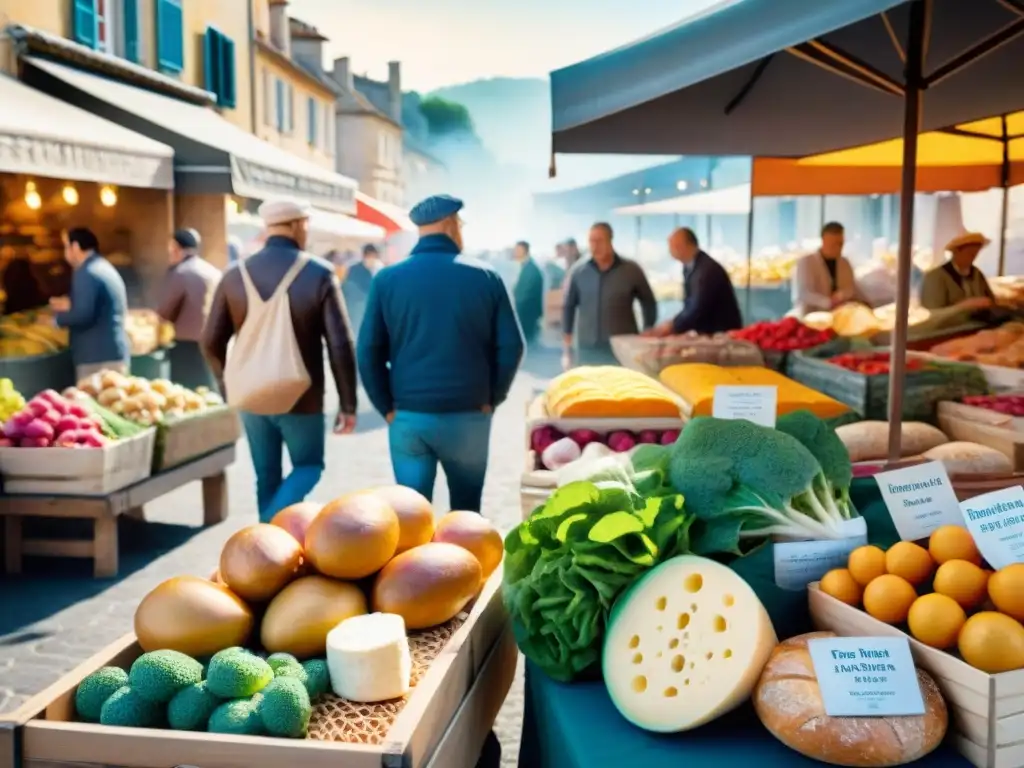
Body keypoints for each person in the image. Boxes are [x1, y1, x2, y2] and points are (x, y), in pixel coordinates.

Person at [357, 194, 524, 512]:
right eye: (460, 224)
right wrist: (493, 396)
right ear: (450, 225)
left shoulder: (387, 279)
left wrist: (386, 407)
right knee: (466, 517)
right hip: (469, 413)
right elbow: (512, 346)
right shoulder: (485, 277)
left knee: (412, 518)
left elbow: (367, 351)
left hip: (409, 416)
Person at [201, 199, 358, 521]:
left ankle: (264, 552)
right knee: (309, 466)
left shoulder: (234, 276)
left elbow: (210, 341)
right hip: (303, 397)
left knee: (266, 476)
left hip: (251, 397)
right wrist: (348, 403)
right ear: (298, 226)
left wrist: (226, 383)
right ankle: (268, 526)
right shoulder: (319, 274)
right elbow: (340, 344)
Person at [562, 222, 657, 368]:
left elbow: (648, 302)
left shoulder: (631, 270)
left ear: (610, 241)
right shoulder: (578, 271)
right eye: (591, 241)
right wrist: (567, 342)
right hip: (588, 347)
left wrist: (648, 328)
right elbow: (569, 306)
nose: (595, 246)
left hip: (622, 347)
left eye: (599, 241)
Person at [50, 227, 129, 381]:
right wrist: (69, 304)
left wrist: (55, 320)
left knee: (91, 403)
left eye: (66, 246)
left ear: (76, 247)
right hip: (111, 353)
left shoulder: (86, 272)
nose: (65, 252)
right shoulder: (102, 266)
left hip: (96, 359)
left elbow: (83, 315)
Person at [644, 227, 742, 337]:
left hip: (722, 335)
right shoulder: (691, 267)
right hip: (709, 334)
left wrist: (672, 327)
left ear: (684, 246)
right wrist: (672, 325)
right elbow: (691, 306)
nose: (670, 251)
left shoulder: (707, 270)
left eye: (673, 245)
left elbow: (697, 308)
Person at [157, 229, 222, 390]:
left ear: (176, 248)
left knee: (186, 389)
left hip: (186, 344)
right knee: (208, 387)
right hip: (212, 339)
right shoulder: (213, 271)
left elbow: (166, 310)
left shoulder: (181, 273)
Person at [792, 221, 866, 316]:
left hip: (840, 316)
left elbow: (851, 288)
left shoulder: (845, 263)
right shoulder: (806, 262)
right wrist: (828, 302)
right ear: (823, 241)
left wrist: (843, 295)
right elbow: (803, 294)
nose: (838, 248)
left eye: (840, 244)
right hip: (812, 316)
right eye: (833, 244)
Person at [920, 231, 998, 314]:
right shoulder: (935, 277)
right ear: (956, 252)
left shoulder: (977, 273)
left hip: (980, 323)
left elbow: (991, 300)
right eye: (969, 253)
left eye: (975, 254)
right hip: (950, 326)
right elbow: (930, 315)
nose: (973, 258)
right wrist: (963, 306)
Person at [341, 243, 383, 331]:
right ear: (364, 256)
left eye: (373, 256)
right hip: (356, 310)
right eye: (369, 256)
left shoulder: (380, 269)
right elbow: (347, 290)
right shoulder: (354, 269)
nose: (371, 259)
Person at [512, 240, 544, 346]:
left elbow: (524, 295)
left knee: (528, 347)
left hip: (527, 316)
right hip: (527, 315)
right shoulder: (527, 267)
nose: (515, 253)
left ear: (524, 251)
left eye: (517, 250)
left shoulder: (530, 269)